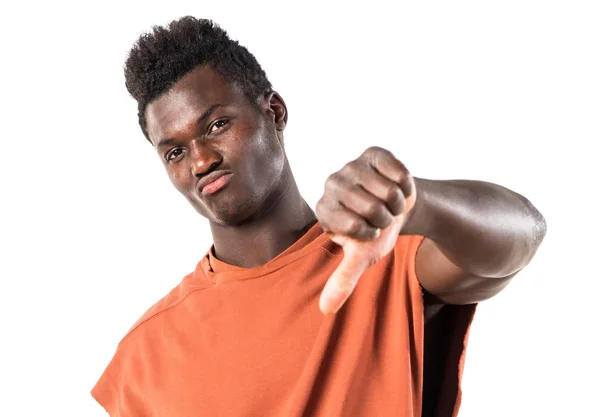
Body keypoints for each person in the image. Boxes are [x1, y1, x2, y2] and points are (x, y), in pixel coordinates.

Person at [91, 16, 546, 417]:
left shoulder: (378, 259)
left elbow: (523, 234)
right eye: (174, 151)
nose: (201, 161)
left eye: (217, 125)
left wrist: (418, 202)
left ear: (274, 112)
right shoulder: (144, 356)